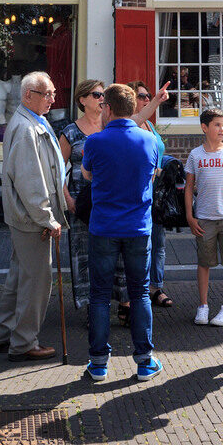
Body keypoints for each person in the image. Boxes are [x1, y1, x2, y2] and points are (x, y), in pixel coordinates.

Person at [81, 83, 162, 383]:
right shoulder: (149, 141)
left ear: (109, 109)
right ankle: (144, 361)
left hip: (103, 227)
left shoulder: (95, 142)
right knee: (140, 292)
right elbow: (153, 175)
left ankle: (99, 363)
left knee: (100, 295)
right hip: (138, 227)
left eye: (103, 106)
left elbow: (87, 175)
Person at [0, 72, 67, 361]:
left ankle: (4, 334)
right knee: (36, 279)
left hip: (24, 216)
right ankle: (23, 343)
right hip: (31, 218)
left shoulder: (32, 121)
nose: (52, 98)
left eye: (52, 93)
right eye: (46, 94)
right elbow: (30, 181)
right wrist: (47, 218)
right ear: (28, 95)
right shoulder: (26, 128)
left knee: (19, 276)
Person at [184, 108, 223, 326]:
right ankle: (203, 306)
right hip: (204, 218)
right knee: (204, 263)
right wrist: (190, 215)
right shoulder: (196, 155)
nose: (222, 129)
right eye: (217, 125)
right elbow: (188, 188)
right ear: (204, 127)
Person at [58, 78, 106, 310]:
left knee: (110, 254)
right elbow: (56, 169)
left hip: (108, 202)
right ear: (82, 100)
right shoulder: (70, 131)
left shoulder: (110, 127)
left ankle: (117, 302)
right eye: (97, 95)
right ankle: (90, 306)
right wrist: (68, 199)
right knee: (84, 255)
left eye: (103, 95)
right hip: (81, 203)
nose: (101, 99)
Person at [129, 80, 173, 309]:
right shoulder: (131, 125)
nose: (146, 99)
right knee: (143, 243)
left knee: (159, 241)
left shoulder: (149, 126)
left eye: (148, 97)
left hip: (157, 193)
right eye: (142, 96)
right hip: (140, 192)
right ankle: (140, 289)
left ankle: (156, 286)